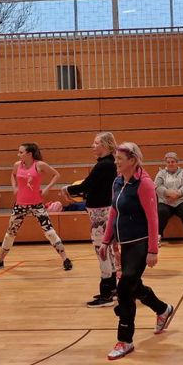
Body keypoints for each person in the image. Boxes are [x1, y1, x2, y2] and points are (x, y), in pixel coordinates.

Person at [100, 142, 174, 360]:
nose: (116, 162)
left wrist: (153, 250)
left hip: (141, 244)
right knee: (133, 285)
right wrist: (106, 240)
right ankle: (163, 309)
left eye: (119, 159)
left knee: (124, 290)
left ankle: (125, 340)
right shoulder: (117, 181)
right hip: (124, 244)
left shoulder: (145, 184)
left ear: (132, 160)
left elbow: (153, 218)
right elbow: (114, 211)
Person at [0, 143, 70, 272]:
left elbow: (56, 175)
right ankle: (0, 260)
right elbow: (13, 175)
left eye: (21, 152)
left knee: (49, 232)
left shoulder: (39, 165)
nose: (18, 154)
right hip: (20, 204)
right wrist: (14, 187)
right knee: (10, 233)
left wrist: (47, 189)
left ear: (29, 154)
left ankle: (65, 259)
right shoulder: (17, 165)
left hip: (37, 204)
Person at [66, 132, 119, 307]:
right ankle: (112, 289)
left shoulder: (104, 165)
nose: (93, 146)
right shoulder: (108, 163)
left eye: (96, 143)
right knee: (107, 250)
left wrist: (67, 190)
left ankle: (106, 293)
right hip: (101, 210)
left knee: (101, 250)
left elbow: (87, 185)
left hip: (100, 213)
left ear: (105, 145)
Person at [155, 152, 183, 246]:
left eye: (172, 161)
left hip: (181, 200)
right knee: (161, 211)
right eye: (168, 162)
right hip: (166, 201)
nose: (170, 164)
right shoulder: (161, 173)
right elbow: (157, 186)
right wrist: (167, 192)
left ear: (177, 162)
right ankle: (158, 235)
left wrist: (178, 193)